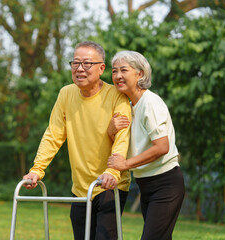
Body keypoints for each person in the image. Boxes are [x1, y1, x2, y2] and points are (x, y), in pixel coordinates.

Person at [22, 41, 132, 239]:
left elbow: (123, 138)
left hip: (110, 184)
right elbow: (53, 134)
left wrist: (113, 172)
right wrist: (37, 170)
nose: (80, 69)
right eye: (75, 63)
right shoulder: (66, 93)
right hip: (80, 187)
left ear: (101, 68)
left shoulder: (116, 95)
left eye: (87, 64)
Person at [107, 50, 185, 240]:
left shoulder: (150, 103)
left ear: (139, 73)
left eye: (124, 70)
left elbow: (161, 147)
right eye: (114, 71)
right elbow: (122, 143)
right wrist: (110, 129)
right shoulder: (128, 105)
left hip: (165, 183)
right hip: (145, 184)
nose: (117, 76)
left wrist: (125, 164)